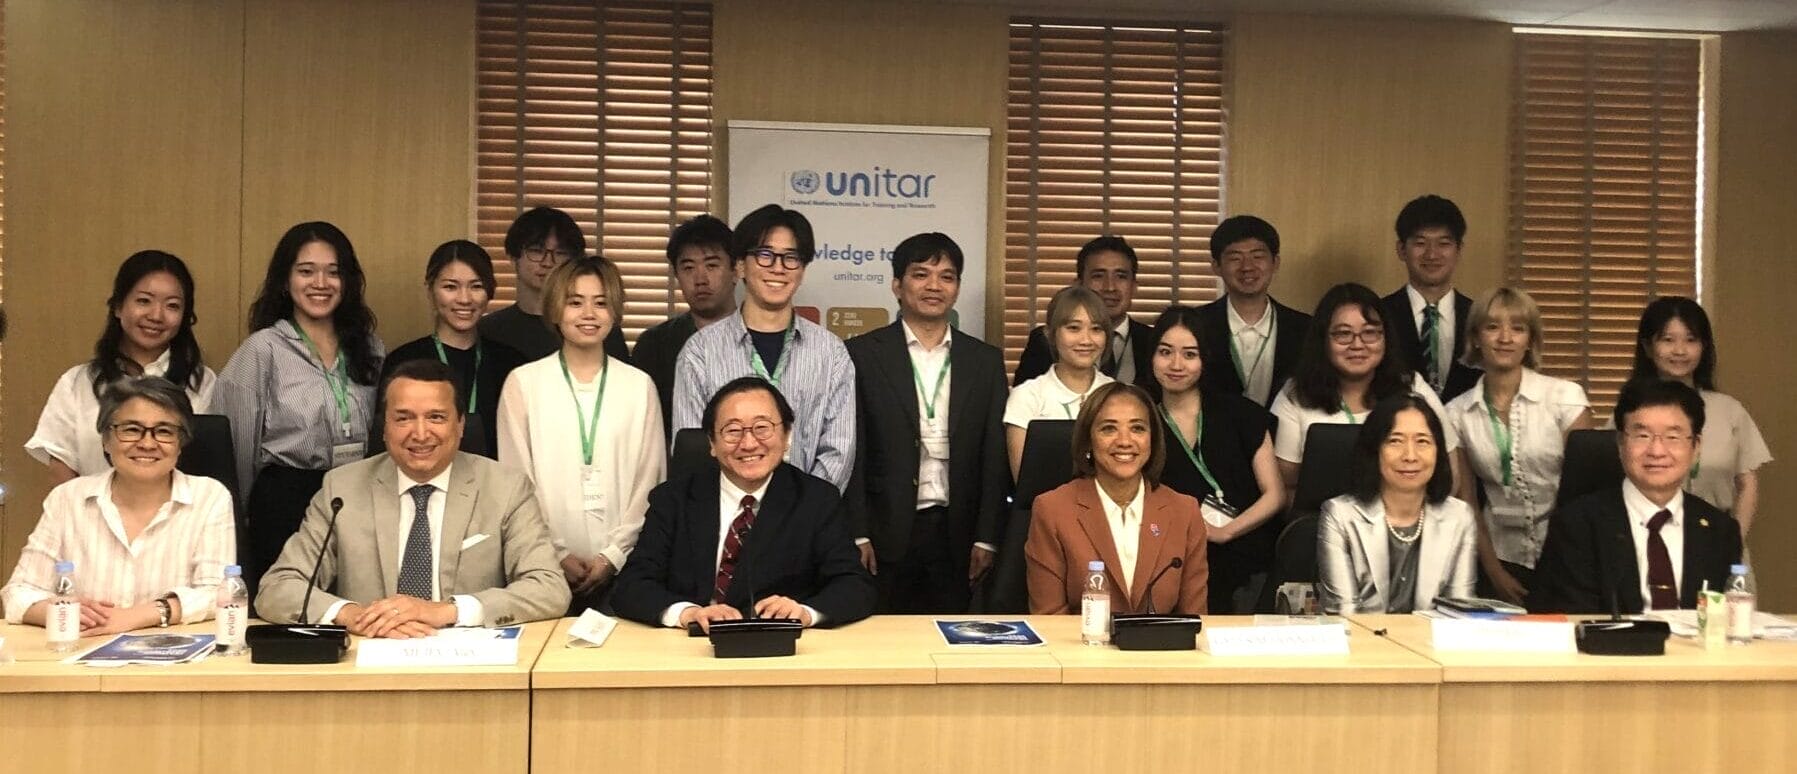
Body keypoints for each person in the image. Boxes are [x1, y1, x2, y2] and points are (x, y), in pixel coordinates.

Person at [257, 359, 568, 634]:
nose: (420, 434)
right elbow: (278, 587)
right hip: (370, 656)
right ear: (384, 427)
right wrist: (353, 615)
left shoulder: (506, 488)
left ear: (460, 425)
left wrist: (445, 612)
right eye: (404, 418)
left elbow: (549, 588)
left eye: (436, 417)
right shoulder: (342, 489)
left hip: (468, 660)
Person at [612, 377, 876, 630]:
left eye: (762, 428)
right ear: (712, 443)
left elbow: (854, 585)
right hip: (690, 644)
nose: (749, 443)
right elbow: (631, 585)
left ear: (787, 435)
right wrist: (687, 613)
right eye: (733, 431)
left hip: (781, 645)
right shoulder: (673, 499)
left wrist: (804, 613)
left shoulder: (817, 499)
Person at [212, 222, 384, 596]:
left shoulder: (368, 347)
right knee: (289, 603)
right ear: (285, 280)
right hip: (284, 499)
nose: (320, 283)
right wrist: (240, 520)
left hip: (353, 495)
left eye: (333, 272)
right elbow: (237, 451)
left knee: (352, 604)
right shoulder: (263, 349)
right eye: (306, 271)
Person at [845, 232, 1010, 613]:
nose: (934, 286)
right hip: (884, 532)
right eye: (921, 274)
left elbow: (994, 455)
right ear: (897, 285)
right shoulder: (862, 354)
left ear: (957, 288)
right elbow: (853, 448)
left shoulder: (984, 360)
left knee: (953, 637)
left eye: (946, 277)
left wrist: (987, 537)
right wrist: (857, 531)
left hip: (958, 533)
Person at [497, 256, 665, 614]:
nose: (589, 314)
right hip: (541, 567)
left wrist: (613, 555)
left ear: (615, 311)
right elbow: (516, 480)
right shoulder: (523, 383)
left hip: (625, 569)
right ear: (555, 309)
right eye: (575, 302)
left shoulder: (639, 386)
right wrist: (556, 552)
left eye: (600, 303)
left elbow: (650, 479)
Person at [4, 377, 234, 633]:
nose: (147, 443)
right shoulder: (67, 499)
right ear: (105, 439)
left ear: (181, 444)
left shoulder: (210, 497)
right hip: (83, 646)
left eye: (164, 431)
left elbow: (220, 592)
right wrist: (62, 611)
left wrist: (137, 616)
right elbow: (18, 593)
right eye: (131, 430)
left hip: (172, 652)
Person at [671, 204, 856, 492]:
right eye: (765, 255)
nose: (778, 268)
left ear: (803, 269)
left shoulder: (830, 353)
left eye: (791, 258)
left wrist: (805, 508)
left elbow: (838, 450)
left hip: (808, 515)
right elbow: (695, 450)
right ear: (740, 265)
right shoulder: (700, 352)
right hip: (727, 514)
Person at [1533, 379, 1742, 614]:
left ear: (1696, 446)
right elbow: (1572, 618)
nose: (1657, 451)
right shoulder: (1576, 524)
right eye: (1642, 435)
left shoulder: (1720, 531)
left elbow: (1725, 620)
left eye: (1672, 437)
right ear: (1620, 443)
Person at [1445, 288, 1593, 605]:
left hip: (1569, 555)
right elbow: (1467, 502)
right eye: (1492, 327)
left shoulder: (1565, 399)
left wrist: (1563, 563)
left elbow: (1582, 493)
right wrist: (1494, 571)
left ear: (1530, 340)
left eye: (1518, 328)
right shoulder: (1457, 413)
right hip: (1500, 556)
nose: (1505, 338)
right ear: (1475, 338)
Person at [28, 251, 217, 484]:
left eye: (172, 305)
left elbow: (206, 464)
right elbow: (61, 468)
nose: (156, 315)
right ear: (118, 306)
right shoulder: (77, 382)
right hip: (90, 506)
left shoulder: (202, 382)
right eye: (144, 301)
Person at [1025, 383, 1209, 615]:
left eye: (1138, 428)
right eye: (1109, 429)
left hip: (1162, 640)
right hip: (1080, 639)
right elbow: (1049, 618)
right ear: (1088, 440)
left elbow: (1194, 620)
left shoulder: (1184, 511)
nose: (1124, 441)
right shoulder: (1052, 509)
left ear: (1152, 439)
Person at [1149, 306, 1286, 613]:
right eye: (1165, 352)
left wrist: (1227, 531)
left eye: (1189, 354)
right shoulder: (1140, 421)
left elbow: (1275, 494)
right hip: (1170, 557)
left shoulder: (1242, 414)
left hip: (1245, 553)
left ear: (1205, 359)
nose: (1176, 364)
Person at [1271, 282, 1459, 500]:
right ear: (1323, 340)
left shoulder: (1411, 386)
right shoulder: (1296, 394)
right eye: (1343, 334)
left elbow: (1449, 472)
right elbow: (1285, 485)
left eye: (1370, 333)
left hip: (1408, 515)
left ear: (1385, 337)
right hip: (1321, 517)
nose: (1357, 345)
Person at [1317, 395, 1477, 615]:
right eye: (1395, 441)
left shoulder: (1459, 516)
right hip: (1361, 636)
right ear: (1374, 450)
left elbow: (1459, 612)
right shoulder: (1340, 515)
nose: (1410, 456)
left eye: (1422, 441)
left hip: (1434, 637)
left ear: (1438, 451)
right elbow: (1344, 615)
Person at [1625, 297, 1771, 535]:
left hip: (1716, 537)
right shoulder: (1630, 410)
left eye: (1691, 340)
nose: (1680, 350)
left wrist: (1733, 541)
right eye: (1668, 340)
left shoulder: (1729, 410)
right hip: (1646, 538)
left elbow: (1748, 485)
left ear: (1704, 347)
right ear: (1648, 347)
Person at [376, 240, 527, 458]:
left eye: (476, 286)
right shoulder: (403, 361)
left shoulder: (512, 363)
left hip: (494, 477)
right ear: (430, 290)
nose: (464, 299)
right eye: (450, 287)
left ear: (490, 291)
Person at [632, 214, 738, 440]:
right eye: (688, 268)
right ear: (677, 275)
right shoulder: (653, 345)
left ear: (736, 270)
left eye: (712, 265)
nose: (700, 279)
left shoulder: (757, 338)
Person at [479, 206, 628, 362]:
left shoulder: (596, 327)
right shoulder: (488, 330)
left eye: (560, 253)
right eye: (536, 251)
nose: (548, 262)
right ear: (513, 257)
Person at [1194, 216, 1312, 406]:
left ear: (1275, 262)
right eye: (1235, 258)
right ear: (1216, 266)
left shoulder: (1306, 329)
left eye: (1257, 257)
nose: (1247, 267)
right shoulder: (1194, 325)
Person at [1012, 236, 1154, 388]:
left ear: (1134, 286)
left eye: (1121, 276)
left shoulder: (1154, 341)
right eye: (1098, 276)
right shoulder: (1044, 341)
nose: (1110, 287)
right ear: (1078, 285)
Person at [1004, 285, 1113, 481]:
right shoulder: (1027, 396)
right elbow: (1025, 480)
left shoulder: (1119, 395)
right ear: (1050, 334)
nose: (1086, 340)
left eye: (1096, 329)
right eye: (1074, 328)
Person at [1382, 194, 1480, 402]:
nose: (1432, 254)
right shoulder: (1379, 315)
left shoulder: (1480, 317)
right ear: (1401, 250)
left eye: (1443, 243)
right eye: (1420, 243)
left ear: (1459, 250)